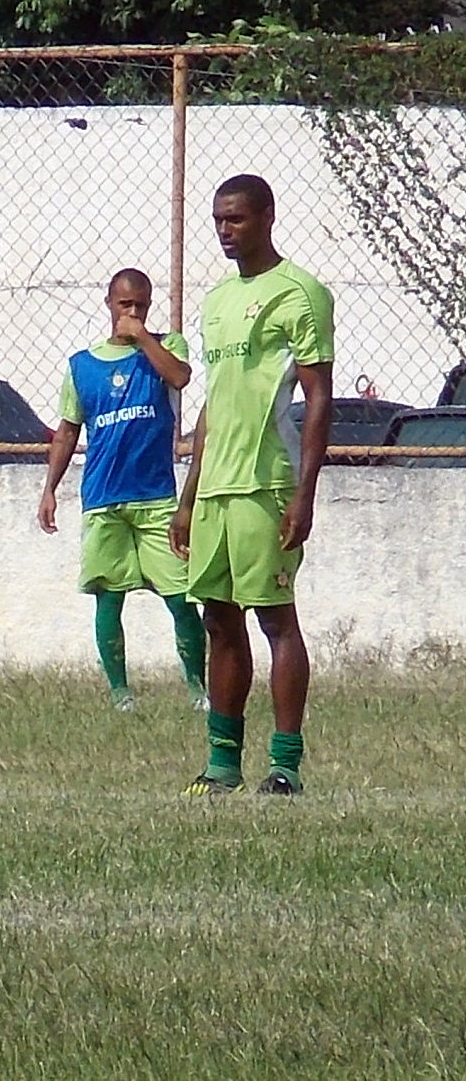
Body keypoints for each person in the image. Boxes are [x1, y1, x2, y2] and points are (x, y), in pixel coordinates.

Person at [171, 174, 333, 797]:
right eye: (217, 220)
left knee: (275, 618)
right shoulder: (215, 301)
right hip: (215, 485)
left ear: (266, 215)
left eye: (235, 218)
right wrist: (188, 496)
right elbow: (213, 403)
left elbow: (318, 398)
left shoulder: (300, 293)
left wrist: (304, 492)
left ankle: (285, 766)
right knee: (217, 618)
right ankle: (221, 766)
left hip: (267, 483)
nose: (224, 230)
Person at [38, 269, 207, 711]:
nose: (132, 313)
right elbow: (67, 430)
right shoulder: (83, 365)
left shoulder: (167, 347)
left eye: (141, 306)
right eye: (125, 305)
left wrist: (144, 338)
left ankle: (197, 689)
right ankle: (120, 694)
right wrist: (50, 488)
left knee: (180, 595)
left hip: (155, 498)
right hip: (103, 497)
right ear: (109, 303)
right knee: (108, 597)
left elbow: (181, 377)